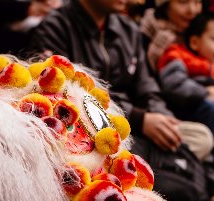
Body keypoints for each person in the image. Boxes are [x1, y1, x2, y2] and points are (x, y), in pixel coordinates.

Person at [29, 0, 213, 160]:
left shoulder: (128, 29)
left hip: (139, 128)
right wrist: (140, 119)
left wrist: (164, 119)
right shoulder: (55, 28)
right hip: (90, 135)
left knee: (200, 137)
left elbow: (146, 86)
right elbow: (69, 97)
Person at [157, 13, 214, 131]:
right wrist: (205, 92)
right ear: (194, 42)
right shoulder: (178, 56)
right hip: (188, 110)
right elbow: (174, 84)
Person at [140, 0, 202, 71]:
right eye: (183, 2)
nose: (192, 10)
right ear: (165, 6)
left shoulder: (205, 31)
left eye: (197, 2)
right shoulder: (143, 33)